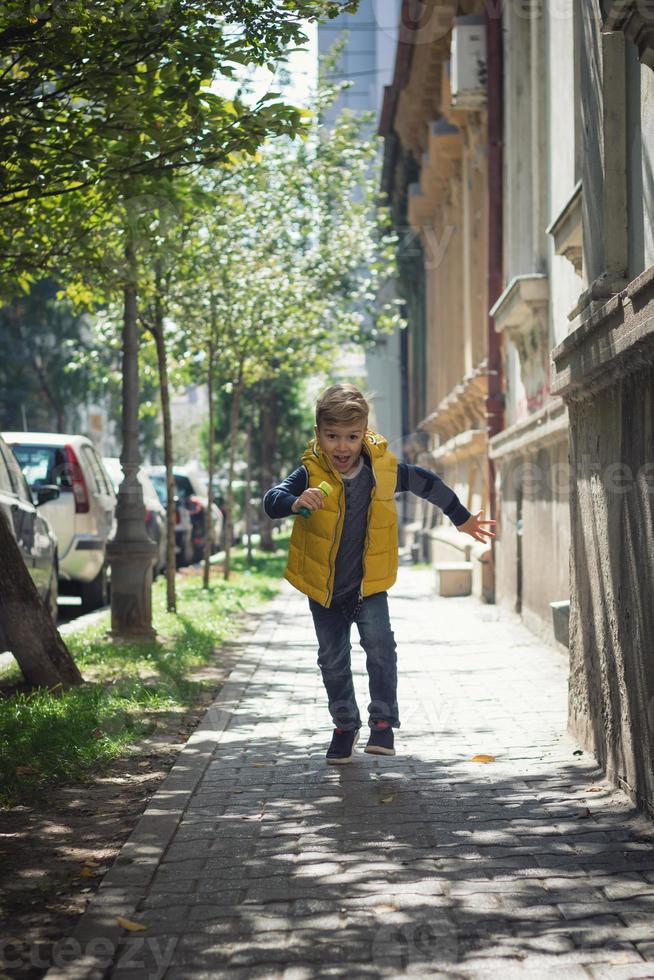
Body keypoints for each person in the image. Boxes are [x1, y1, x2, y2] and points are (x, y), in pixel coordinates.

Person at [263, 383, 496, 765]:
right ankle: (344, 726)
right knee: (332, 660)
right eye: (333, 436)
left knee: (381, 650)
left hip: (368, 586)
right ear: (318, 434)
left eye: (352, 437)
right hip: (324, 591)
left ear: (364, 432)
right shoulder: (309, 472)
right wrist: (294, 501)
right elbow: (272, 500)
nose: (342, 446)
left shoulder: (383, 470)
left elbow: (427, 483)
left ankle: (383, 723)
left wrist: (462, 518)